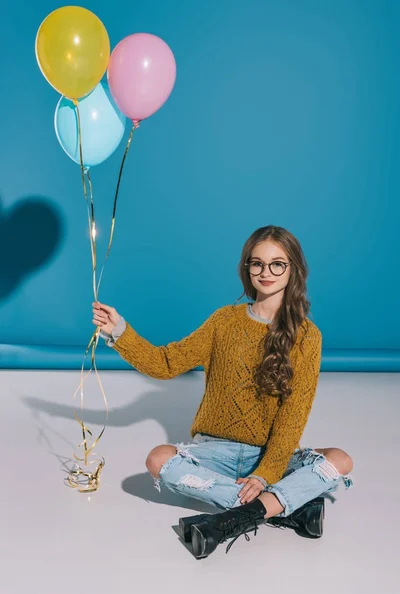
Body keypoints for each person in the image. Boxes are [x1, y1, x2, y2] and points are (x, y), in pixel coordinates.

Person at [92, 225, 354, 559]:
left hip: (270, 455)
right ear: (247, 268)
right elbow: (165, 363)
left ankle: (237, 518)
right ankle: (285, 508)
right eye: (257, 263)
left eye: (278, 264)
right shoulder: (224, 322)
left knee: (340, 460)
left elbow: (293, 416)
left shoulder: (308, 336)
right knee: (159, 459)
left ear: (294, 269)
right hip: (215, 455)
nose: (266, 272)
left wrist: (265, 474)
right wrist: (120, 331)